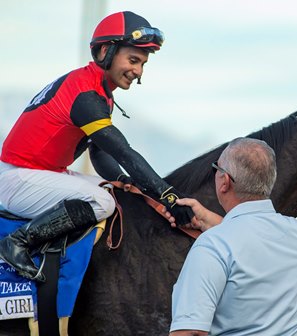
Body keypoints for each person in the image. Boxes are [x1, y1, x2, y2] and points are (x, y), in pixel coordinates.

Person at [0, 11, 193, 282]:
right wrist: (169, 196)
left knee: (110, 192)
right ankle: (18, 242)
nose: (138, 71)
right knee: (102, 202)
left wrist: (122, 181)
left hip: (40, 173)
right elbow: (122, 151)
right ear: (106, 51)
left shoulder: (99, 91)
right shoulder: (85, 95)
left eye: (143, 64)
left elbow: (99, 152)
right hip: (18, 178)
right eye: (133, 60)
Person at [169, 137, 297, 336]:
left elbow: (189, 332)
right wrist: (206, 220)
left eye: (216, 169)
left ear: (224, 181)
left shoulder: (213, 246)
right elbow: (253, 241)